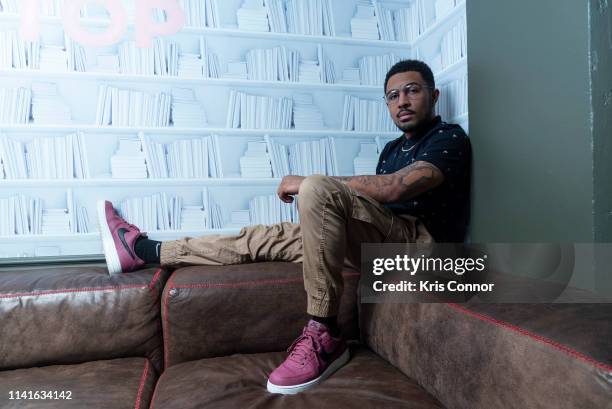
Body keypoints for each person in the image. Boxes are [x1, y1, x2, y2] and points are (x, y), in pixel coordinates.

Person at [97, 59, 471, 395]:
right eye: (392, 96)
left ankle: (324, 333)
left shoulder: (448, 138)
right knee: (262, 238)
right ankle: (143, 249)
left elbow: (391, 189)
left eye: (412, 91)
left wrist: (311, 186)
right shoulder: (391, 149)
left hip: (421, 247)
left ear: (433, 95)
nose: (402, 101)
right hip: (379, 239)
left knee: (318, 187)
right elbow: (369, 206)